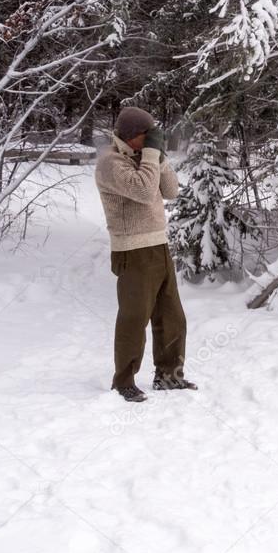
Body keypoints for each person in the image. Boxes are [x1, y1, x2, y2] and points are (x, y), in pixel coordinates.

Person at [94, 106, 197, 402]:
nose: (152, 139)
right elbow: (142, 190)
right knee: (134, 317)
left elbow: (171, 190)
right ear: (130, 136)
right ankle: (124, 381)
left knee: (172, 316)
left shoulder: (144, 158)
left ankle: (169, 375)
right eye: (147, 134)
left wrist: (159, 156)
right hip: (132, 249)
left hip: (158, 245)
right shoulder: (110, 163)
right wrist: (152, 156)